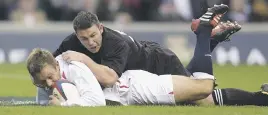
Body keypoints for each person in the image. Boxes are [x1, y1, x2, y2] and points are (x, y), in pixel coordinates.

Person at [52, 4, 240, 88]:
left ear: (100, 28)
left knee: (200, 92)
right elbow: (50, 62)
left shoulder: (115, 43)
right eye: (84, 39)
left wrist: (83, 58)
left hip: (160, 63)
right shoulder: (72, 41)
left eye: (93, 35)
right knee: (194, 83)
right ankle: (210, 40)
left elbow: (109, 79)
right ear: (77, 36)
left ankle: (205, 35)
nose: (90, 42)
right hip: (145, 63)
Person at [26, 48, 106, 106]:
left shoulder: (74, 69)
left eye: (50, 77)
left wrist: (62, 105)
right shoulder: (44, 76)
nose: (49, 83)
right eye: (43, 81)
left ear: (57, 65)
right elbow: (43, 103)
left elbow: (98, 101)